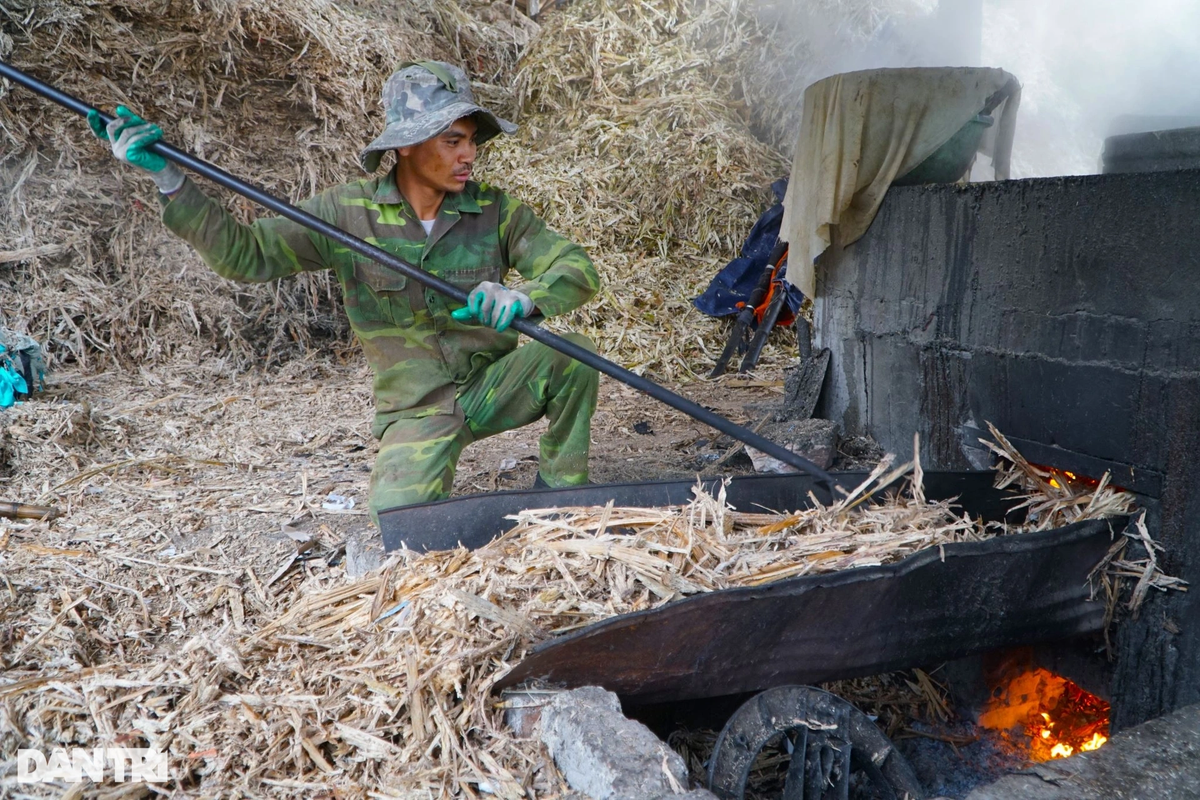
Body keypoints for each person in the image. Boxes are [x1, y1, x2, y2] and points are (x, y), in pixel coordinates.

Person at [88, 60, 600, 524]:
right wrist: (170, 179)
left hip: (493, 386)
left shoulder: (495, 211)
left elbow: (576, 267)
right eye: (452, 140)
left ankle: (558, 497)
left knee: (576, 355)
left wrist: (525, 297)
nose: (469, 154)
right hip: (417, 410)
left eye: (471, 140)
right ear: (405, 145)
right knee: (402, 525)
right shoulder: (344, 214)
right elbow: (246, 255)